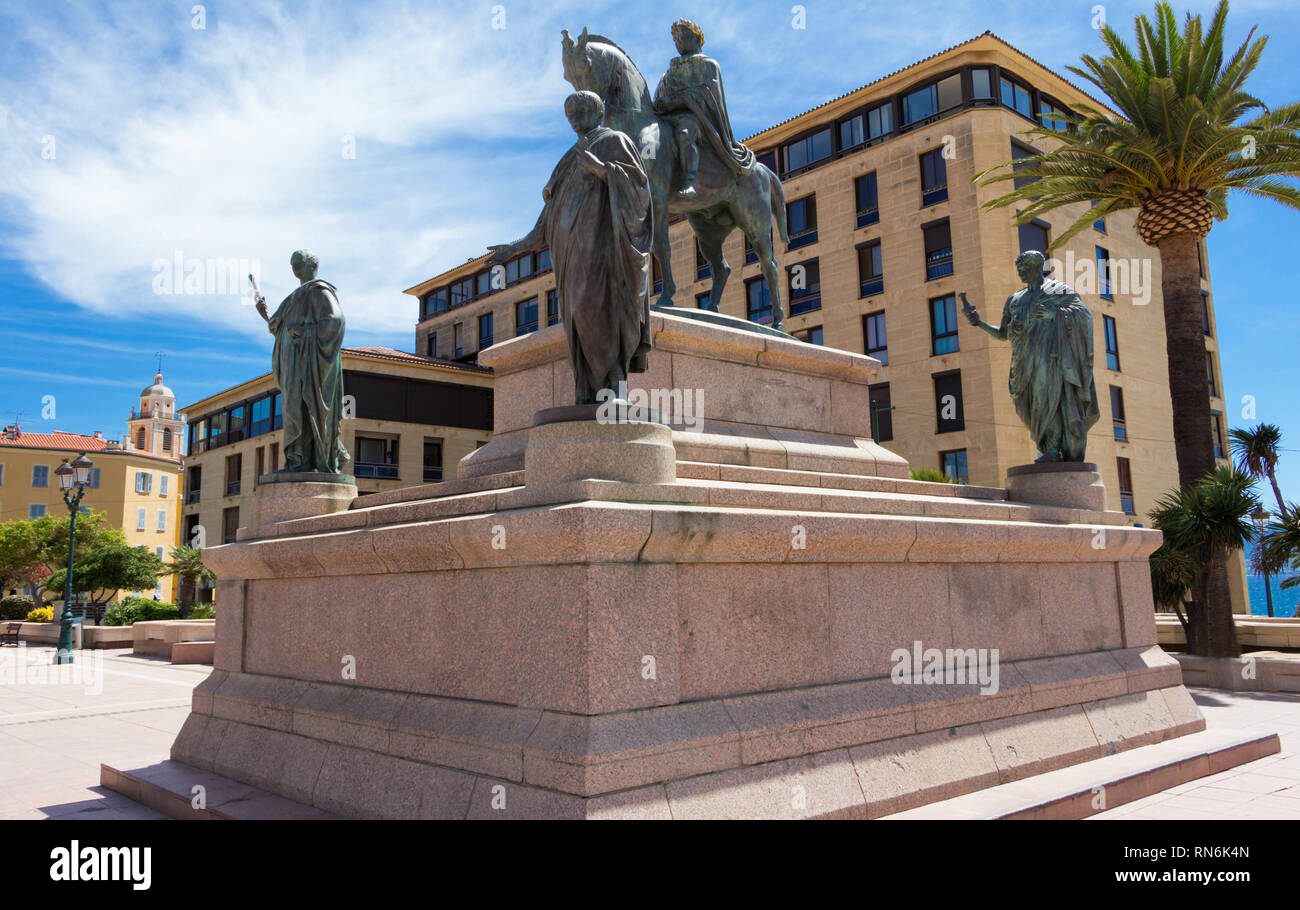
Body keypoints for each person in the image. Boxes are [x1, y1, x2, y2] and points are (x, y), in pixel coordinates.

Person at [488, 92, 652, 405]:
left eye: (583, 108)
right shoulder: (567, 159)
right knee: (576, 315)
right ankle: (586, 390)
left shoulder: (614, 141)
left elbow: (639, 191)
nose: (576, 116)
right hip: (570, 255)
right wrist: (516, 247)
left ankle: (615, 383)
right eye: (570, 112)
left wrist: (603, 170)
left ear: (599, 111)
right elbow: (550, 217)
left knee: (602, 309)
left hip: (604, 248)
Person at [961, 251, 1100, 461]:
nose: (1021, 274)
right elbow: (1003, 334)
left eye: (1025, 269)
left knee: (1048, 402)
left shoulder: (1058, 291)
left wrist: (1055, 314)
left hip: (1051, 359)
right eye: (1019, 270)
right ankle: (1048, 448)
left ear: (1037, 268)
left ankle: (1052, 450)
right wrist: (979, 323)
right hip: (1022, 362)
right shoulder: (1015, 300)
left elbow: (1084, 315)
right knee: (1027, 410)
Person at [254, 250, 349, 473]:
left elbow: (335, 321)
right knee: (294, 409)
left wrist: (303, 332)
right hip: (294, 363)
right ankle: (297, 460)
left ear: (311, 265)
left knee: (305, 408)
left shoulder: (318, 290)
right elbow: (281, 329)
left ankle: (302, 460)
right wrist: (267, 316)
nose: (294, 268)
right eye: (292, 265)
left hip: (308, 364)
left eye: (298, 263)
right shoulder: (297, 296)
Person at [652, 19, 753, 196]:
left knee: (685, 133)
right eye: (676, 38)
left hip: (693, 118)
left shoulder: (708, 65)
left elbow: (707, 95)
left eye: (682, 36)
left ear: (697, 39)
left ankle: (690, 180)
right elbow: (658, 97)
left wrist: (678, 101)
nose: (678, 41)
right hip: (666, 117)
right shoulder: (668, 73)